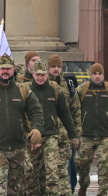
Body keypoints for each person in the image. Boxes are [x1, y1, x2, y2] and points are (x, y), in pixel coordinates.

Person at [0, 54, 44, 195]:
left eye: (8, 68)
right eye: (2, 68)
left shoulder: (23, 90)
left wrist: (37, 128)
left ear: (13, 70)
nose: (5, 71)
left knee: (16, 191)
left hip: (18, 150)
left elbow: (36, 111)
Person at [24, 59, 79, 196]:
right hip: (32, 138)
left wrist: (73, 135)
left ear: (47, 74)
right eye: (37, 75)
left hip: (51, 136)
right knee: (30, 173)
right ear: (33, 74)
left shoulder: (55, 90)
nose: (40, 78)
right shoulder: (25, 91)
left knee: (52, 173)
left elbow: (65, 114)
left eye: (43, 75)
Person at [76, 63, 108, 196]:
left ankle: (102, 192)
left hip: (103, 137)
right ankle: (83, 184)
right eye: (95, 74)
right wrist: (74, 133)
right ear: (91, 75)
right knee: (81, 165)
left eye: (100, 74)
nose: (97, 76)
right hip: (85, 137)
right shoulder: (81, 90)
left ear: (103, 75)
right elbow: (73, 111)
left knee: (104, 167)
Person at [48, 54, 81, 196]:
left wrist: (77, 134)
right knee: (50, 170)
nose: (56, 69)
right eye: (53, 66)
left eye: (58, 66)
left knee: (68, 168)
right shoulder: (43, 83)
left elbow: (76, 110)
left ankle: (70, 191)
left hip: (66, 136)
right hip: (48, 134)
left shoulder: (69, 84)